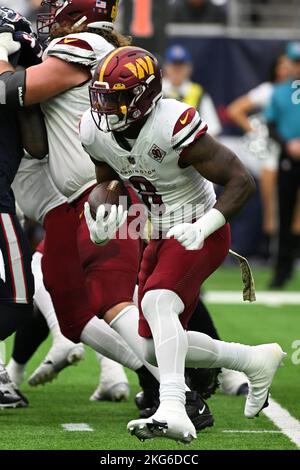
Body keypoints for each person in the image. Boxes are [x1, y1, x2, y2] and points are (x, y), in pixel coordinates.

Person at [0, 2, 216, 429]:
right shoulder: (73, 47)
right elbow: (40, 143)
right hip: (70, 200)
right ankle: (159, 374)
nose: (50, 12)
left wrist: (3, 56)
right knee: (73, 314)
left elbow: (11, 90)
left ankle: (184, 389)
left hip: (102, 192)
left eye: (58, 4)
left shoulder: (85, 44)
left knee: (113, 298)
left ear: (78, 11)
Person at [80, 45, 285, 444]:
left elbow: (241, 180)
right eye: (101, 94)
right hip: (157, 230)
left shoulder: (172, 122)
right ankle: (252, 359)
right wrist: (104, 215)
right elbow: (111, 181)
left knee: (158, 303)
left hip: (196, 226)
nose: (104, 105)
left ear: (142, 96)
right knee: (152, 348)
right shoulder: (94, 129)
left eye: (116, 97)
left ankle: (173, 406)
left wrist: (208, 223)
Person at [227, 54, 295, 258]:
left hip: (293, 152)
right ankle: (270, 244)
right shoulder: (269, 91)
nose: (286, 70)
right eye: (281, 66)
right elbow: (234, 110)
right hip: (274, 150)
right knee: (271, 194)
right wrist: (257, 132)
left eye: (288, 65)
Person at [265, 42, 300, 288]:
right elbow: (270, 124)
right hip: (289, 157)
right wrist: (287, 144)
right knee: (285, 214)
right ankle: (282, 270)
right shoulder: (279, 92)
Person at [163, 44, 222, 138]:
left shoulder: (199, 93)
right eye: (174, 66)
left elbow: (213, 131)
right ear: (165, 67)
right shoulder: (157, 90)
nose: (177, 71)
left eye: (181, 66)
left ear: (189, 68)